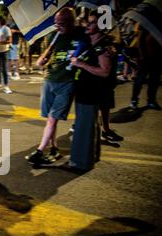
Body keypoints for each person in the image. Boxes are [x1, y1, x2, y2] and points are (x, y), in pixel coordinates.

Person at [25, 8, 87, 165]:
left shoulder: (81, 34)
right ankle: (54, 148)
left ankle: (40, 150)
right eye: (56, 23)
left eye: (62, 24)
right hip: (50, 79)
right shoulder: (54, 35)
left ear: (72, 22)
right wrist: (41, 60)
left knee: (52, 119)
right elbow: (45, 56)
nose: (58, 26)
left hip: (67, 81)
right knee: (49, 120)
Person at [69, 11, 114, 172]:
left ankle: (80, 164)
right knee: (90, 126)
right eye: (88, 22)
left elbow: (105, 71)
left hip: (91, 93)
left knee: (84, 128)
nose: (88, 25)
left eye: (92, 22)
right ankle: (91, 156)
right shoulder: (92, 42)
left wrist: (81, 64)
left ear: (101, 26)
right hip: (84, 91)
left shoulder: (102, 46)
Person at [0, 15, 12, 94]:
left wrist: (0, 42)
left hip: (4, 50)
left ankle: (6, 86)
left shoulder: (6, 28)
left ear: (1, 21)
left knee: (4, 69)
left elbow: (10, 40)